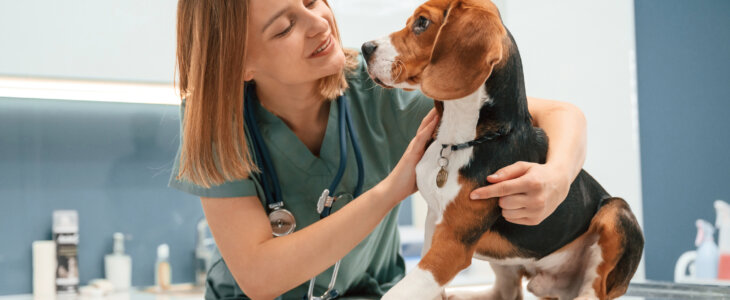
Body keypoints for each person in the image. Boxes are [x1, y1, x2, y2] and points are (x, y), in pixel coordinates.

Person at [169, 0, 587, 299]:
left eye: (312, 0)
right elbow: (260, 278)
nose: (318, 23)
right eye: (284, 27)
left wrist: (557, 177)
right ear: (238, 64)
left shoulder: (379, 87)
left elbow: (560, 114)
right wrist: (392, 190)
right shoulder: (215, 122)